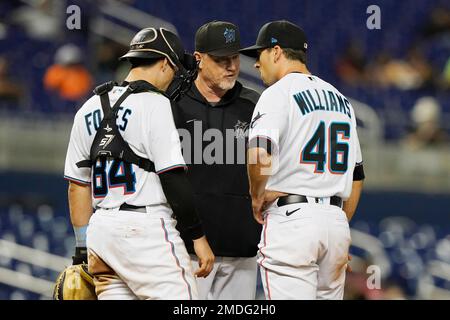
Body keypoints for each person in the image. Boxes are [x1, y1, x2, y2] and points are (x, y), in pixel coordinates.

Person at [63, 27, 214, 300]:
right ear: (166, 63)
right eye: (175, 68)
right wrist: (198, 238)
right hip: (145, 231)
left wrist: (82, 250)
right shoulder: (155, 104)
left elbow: (77, 186)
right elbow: (173, 178)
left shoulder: (88, 107)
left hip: (101, 234)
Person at [241, 20, 365, 300]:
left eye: (259, 55)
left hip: (292, 221)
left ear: (276, 52)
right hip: (335, 224)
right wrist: (336, 221)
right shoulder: (341, 100)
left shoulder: (277, 93)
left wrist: (256, 196)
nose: (256, 65)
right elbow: (356, 177)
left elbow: (260, 154)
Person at [171, 21, 261, 300]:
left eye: (234, 57)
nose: (231, 66)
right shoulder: (173, 102)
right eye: (221, 59)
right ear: (198, 58)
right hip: (187, 247)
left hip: (241, 248)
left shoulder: (254, 104)